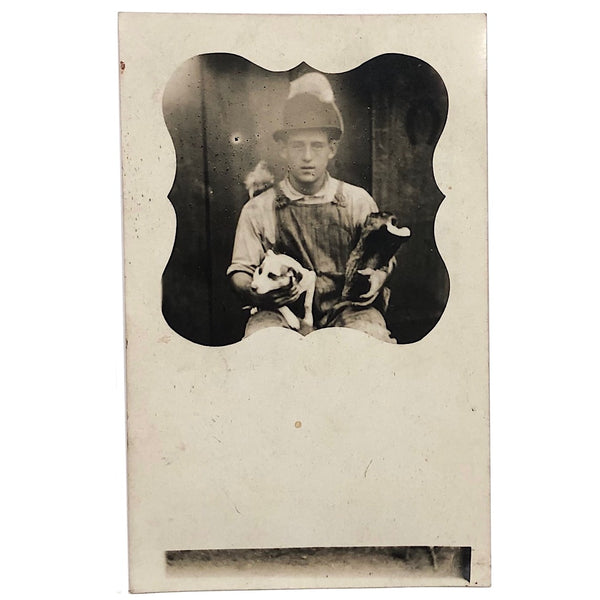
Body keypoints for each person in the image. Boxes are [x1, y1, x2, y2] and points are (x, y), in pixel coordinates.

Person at [227, 72, 397, 343]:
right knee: (262, 342)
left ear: (331, 149)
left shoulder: (357, 201)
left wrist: (377, 279)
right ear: (283, 149)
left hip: (349, 310)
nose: (307, 157)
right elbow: (240, 271)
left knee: (370, 341)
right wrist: (255, 292)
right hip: (282, 311)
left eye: (316, 146)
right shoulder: (259, 208)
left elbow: (383, 259)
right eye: (297, 146)